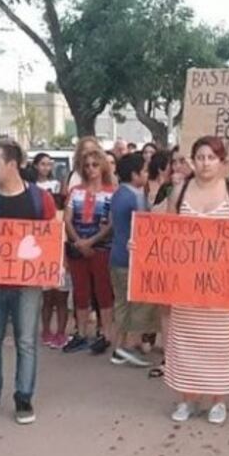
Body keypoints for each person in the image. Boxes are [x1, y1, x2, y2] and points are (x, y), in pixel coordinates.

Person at [0, 141, 56, 425]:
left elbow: (52, 238)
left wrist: (52, 271)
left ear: (13, 165)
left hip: (27, 284)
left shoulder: (41, 199)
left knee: (26, 340)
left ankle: (24, 397)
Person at [161, 136, 229, 425]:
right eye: (200, 157)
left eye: (211, 157)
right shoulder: (179, 191)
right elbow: (164, 235)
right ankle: (187, 399)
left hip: (221, 287)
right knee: (186, 343)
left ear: (222, 162)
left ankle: (218, 401)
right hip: (186, 286)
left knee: (220, 344)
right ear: (192, 161)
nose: (205, 163)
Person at [62, 148, 115, 354]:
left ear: (103, 166)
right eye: (87, 166)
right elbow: (67, 218)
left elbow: (111, 223)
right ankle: (82, 333)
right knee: (80, 291)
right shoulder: (76, 191)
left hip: (101, 248)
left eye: (95, 164)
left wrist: (91, 242)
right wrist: (79, 241)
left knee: (103, 291)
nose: (91, 169)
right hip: (78, 247)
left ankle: (106, 334)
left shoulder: (112, 192)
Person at [108, 152, 155, 368]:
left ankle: (118, 347)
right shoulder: (136, 196)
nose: (146, 174)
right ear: (135, 174)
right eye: (144, 171)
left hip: (116, 254)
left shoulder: (118, 194)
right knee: (135, 304)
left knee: (121, 304)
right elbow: (147, 225)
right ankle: (128, 346)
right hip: (131, 257)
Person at [33, 153, 69, 349]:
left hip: (61, 260)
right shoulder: (42, 219)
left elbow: (66, 238)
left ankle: (61, 332)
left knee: (61, 299)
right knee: (47, 300)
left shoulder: (63, 217)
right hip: (45, 261)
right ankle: (46, 330)